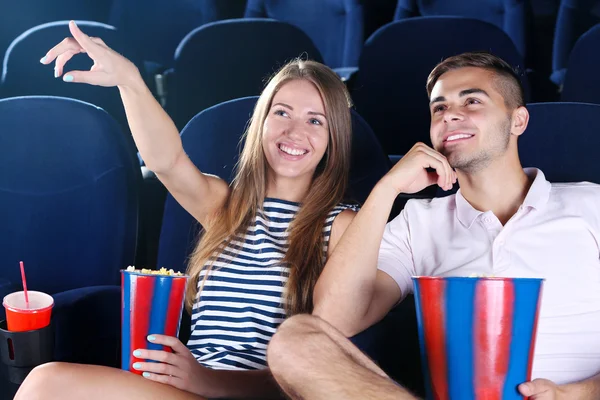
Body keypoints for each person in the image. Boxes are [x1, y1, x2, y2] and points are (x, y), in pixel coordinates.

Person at [16, 21, 358, 400]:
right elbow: (167, 161)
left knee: (46, 384)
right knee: (45, 383)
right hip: (185, 386)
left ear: (334, 138)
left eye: (315, 120)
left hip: (250, 393)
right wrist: (129, 81)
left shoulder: (342, 225)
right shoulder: (225, 206)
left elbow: (321, 363)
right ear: (261, 123)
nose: (294, 131)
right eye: (282, 113)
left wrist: (208, 381)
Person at [267, 51, 600, 400]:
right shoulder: (417, 222)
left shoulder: (590, 204)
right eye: (439, 108)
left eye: (472, 101)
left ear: (518, 121)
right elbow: (335, 319)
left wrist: (580, 392)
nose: (451, 115)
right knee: (296, 339)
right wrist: (386, 189)